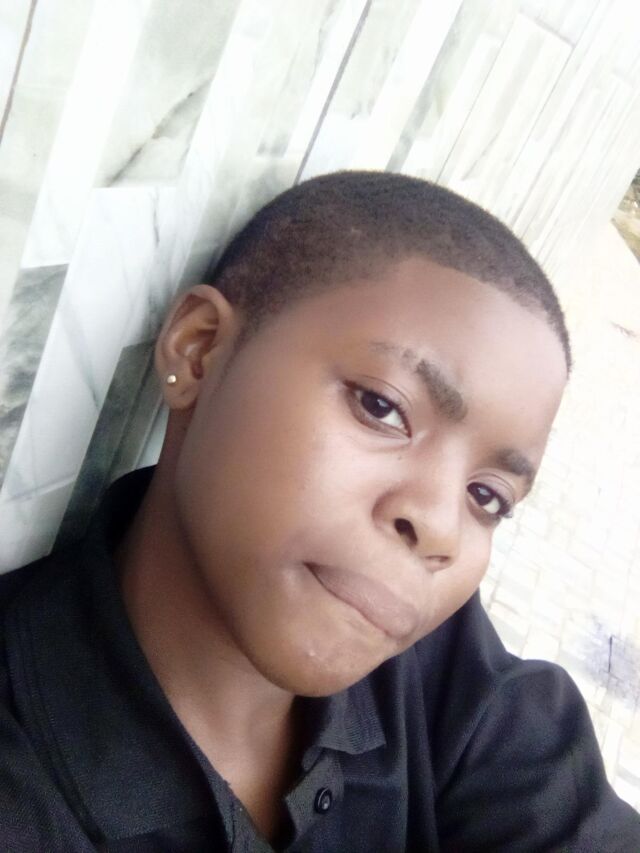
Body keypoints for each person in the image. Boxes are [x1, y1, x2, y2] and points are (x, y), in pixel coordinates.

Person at [1, 171, 638, 852]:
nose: (439, 527)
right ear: (200, 348)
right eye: (382, 407)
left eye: (486, 497)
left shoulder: (447, 675)